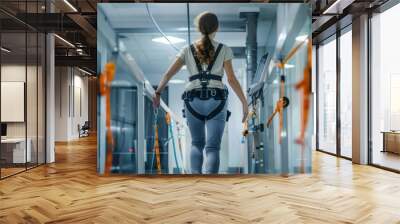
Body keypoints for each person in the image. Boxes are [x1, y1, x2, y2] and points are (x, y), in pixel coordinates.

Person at [153, 12, 248, 174]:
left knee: (196, 143)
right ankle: (210, 184)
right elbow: (231, 79)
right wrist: (244, 102)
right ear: (217, 28)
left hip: (192, 101)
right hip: (216, 100)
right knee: (212, 147)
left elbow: (168, 74)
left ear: (198, 28)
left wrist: (158, 92)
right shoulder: (224, 49)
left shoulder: (187, 50)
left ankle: (195, 181)